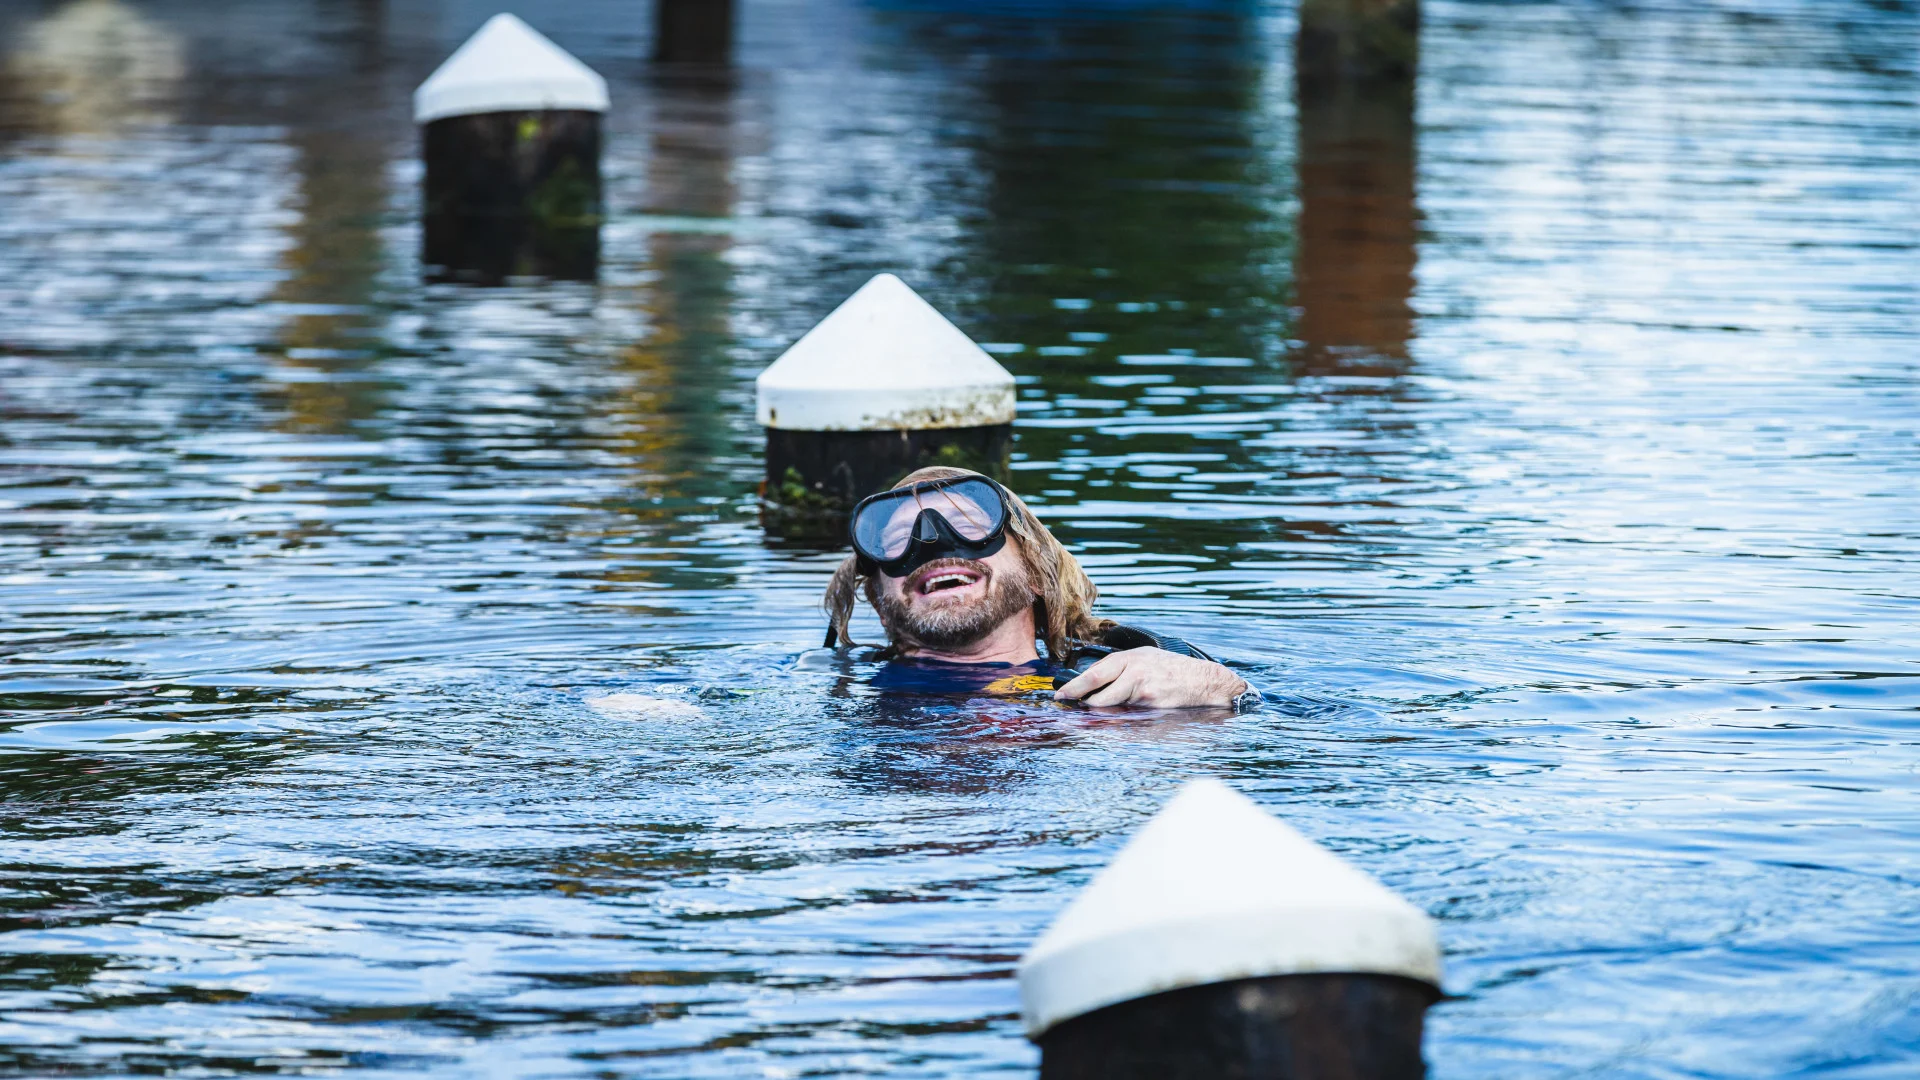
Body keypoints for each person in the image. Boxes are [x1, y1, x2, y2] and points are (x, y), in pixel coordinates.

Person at [822, 466, 1259, 710]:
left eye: (970, 526)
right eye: (899, 539)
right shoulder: (838, 688)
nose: (932, 544)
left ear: (1035, 573)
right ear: (880, 603)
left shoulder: (1116, 678)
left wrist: (1219, 688)